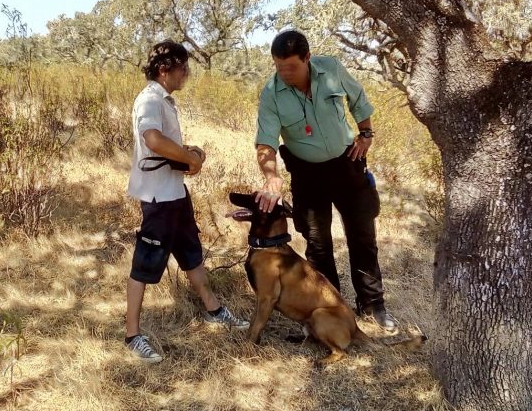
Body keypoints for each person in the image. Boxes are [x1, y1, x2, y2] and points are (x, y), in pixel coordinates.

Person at [253, 30, 397, 331]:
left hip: (348, 165)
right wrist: (272, 177)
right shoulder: (271, 93)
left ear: (307, 58)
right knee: (318, 245)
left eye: (291, 67)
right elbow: (265, 143)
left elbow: (358, 99)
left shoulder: (330, 68)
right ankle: (330, 307)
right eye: (279, 67)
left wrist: (366, 134)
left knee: (363, 238)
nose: (284, 73)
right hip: (307, 175)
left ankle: (373, 305)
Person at [125, 40, 249, 363]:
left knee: (191, 256)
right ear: (166, 70)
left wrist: (188, 155)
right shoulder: (150, 98)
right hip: (158, 200)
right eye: (183, 68)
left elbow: (165, 145)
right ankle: (132, 334)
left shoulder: (165, 100)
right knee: (144, 265)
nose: (187, 74)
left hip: (176, 196)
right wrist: (191, 160)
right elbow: (152, 139)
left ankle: (214, 310)